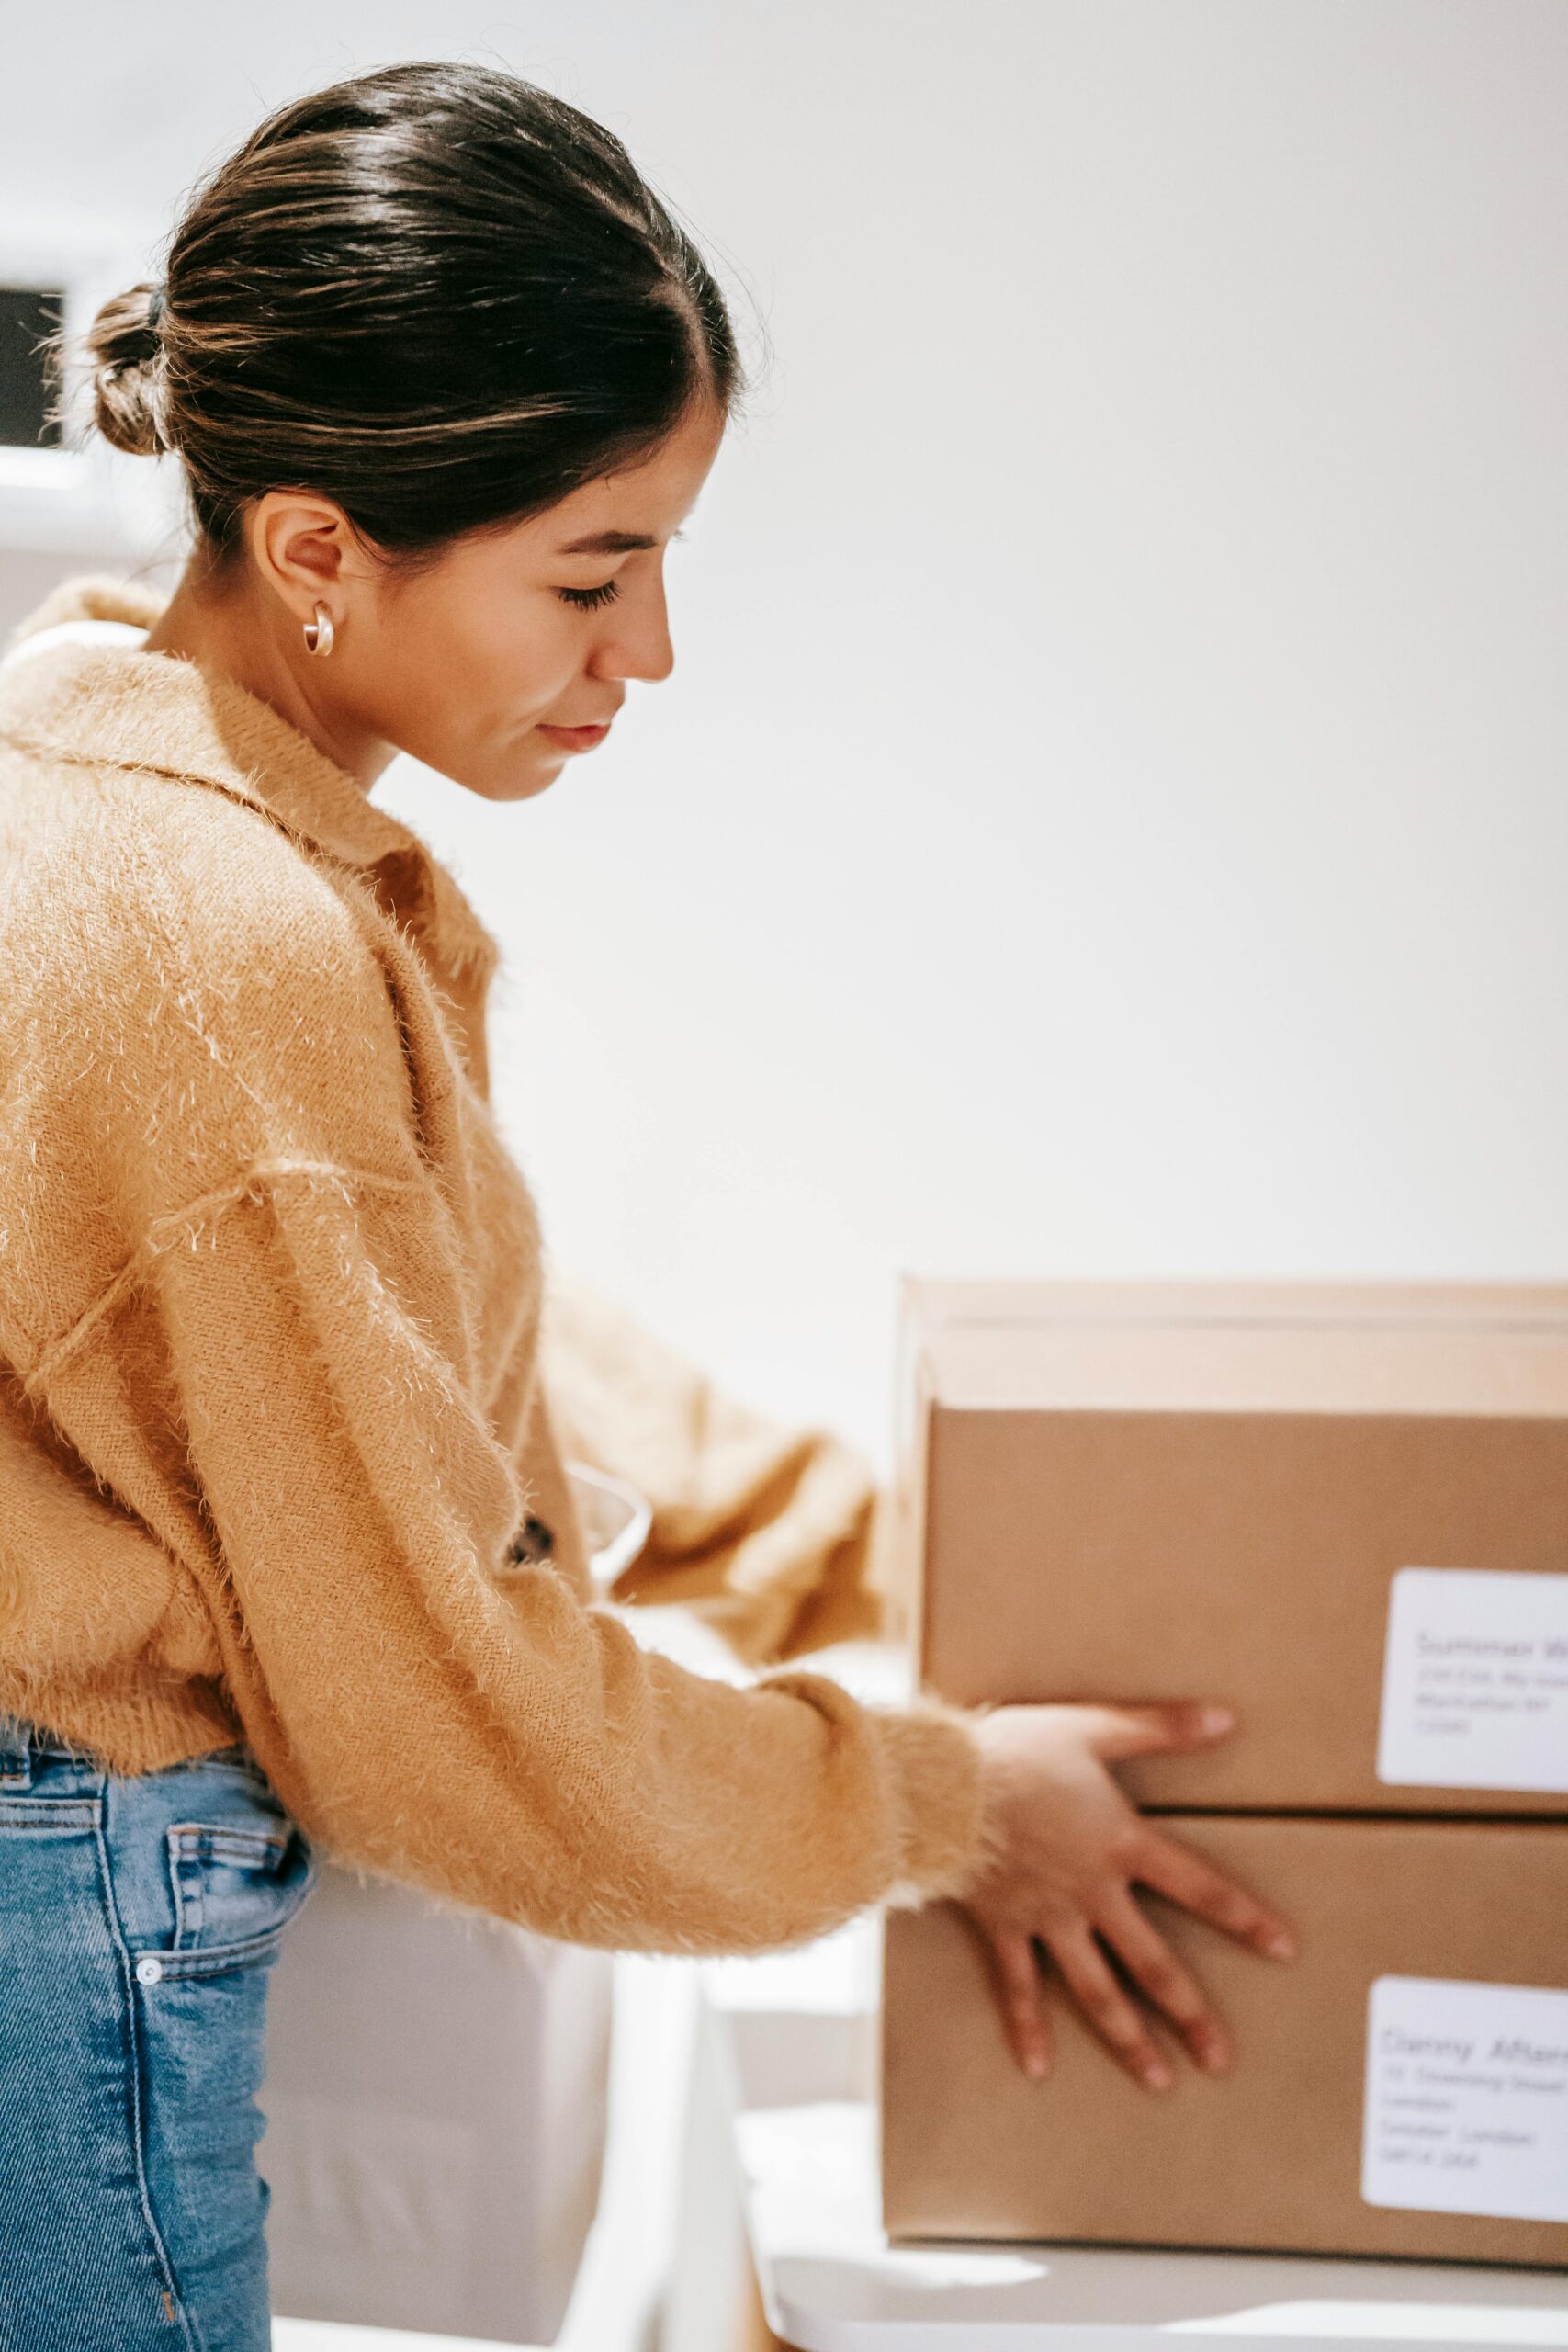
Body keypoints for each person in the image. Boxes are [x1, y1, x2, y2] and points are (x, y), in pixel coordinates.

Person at [0, 58, 1296, 2351]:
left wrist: (881, 1551)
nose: (650, 650)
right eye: (592, 570)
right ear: (317, 550)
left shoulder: (106, 779)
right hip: (69, 1926)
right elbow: (447, 1719)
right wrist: (941, 1800)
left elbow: (400, 1306)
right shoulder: (214, 937)